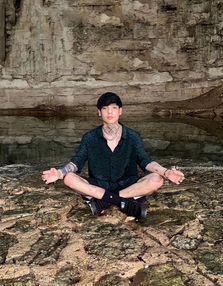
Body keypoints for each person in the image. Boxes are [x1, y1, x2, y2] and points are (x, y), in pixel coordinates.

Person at [42, 92, 185, 219]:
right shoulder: (90, 137)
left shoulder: (132, 136)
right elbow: (76, 162)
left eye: (114, 108)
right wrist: (60, 173)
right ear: (99, 112)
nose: (109, 112)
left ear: (120, 111)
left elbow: (145, 161)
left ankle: (103, 201)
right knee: (69, 178)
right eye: (105, 108)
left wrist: (167, 172)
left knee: (157, 180)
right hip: (99, 184)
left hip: (127, 185)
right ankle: (123, 202)